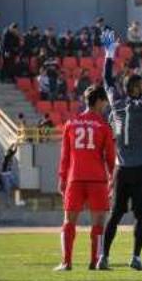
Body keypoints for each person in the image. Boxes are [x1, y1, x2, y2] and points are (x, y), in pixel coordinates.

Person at [97, 28, 142, 271]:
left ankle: (104, 257)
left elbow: (107, 80)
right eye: (141, 85)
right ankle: (136, 257)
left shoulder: (116, 104)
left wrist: (109, 54)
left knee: (116, 214)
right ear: (135, 89)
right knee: (141, 215)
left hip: (122, 169)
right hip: (141, 169)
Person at [54, 85, 115, 271]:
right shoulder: (104, 126)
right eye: (105, 101)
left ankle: (66, 262)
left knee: (69, 221)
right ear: (98, 101)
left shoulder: (71, 123)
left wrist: (62, 179)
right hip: (97, 180)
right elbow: (110, 157)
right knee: (99, 224)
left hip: (75, 179)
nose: (106, 105)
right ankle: (96, 262)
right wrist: (112, 180)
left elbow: (65, 156)